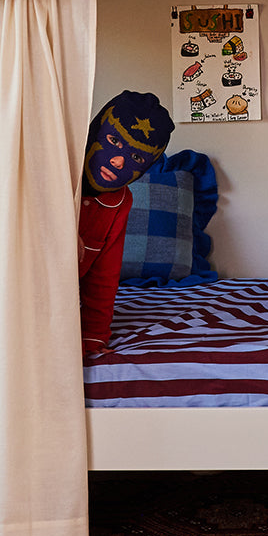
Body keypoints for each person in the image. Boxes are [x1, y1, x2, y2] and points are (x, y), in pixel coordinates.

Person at [78, 90, 173, 359]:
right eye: (112, 140)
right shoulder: (53, 171)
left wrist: (94, 336)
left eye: (137, 159)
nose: (119, 161)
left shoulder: (119, 202)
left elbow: (104, 277)